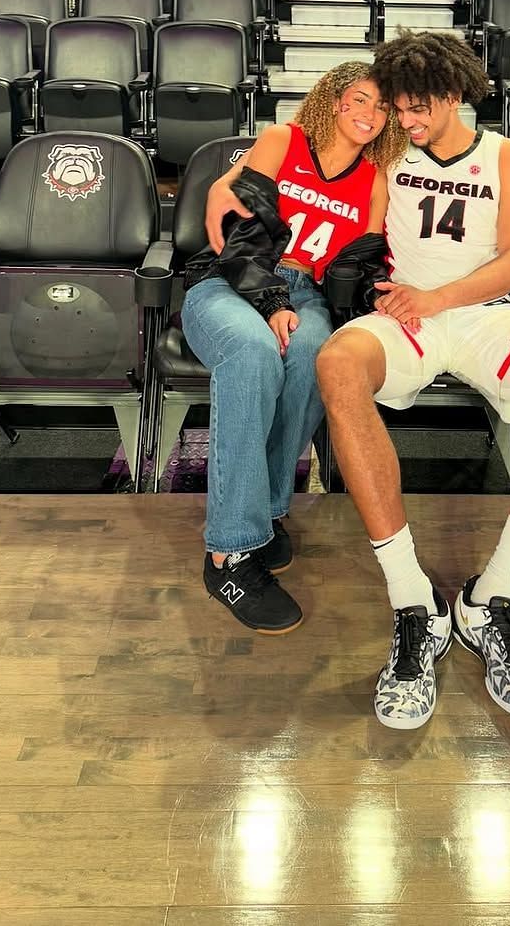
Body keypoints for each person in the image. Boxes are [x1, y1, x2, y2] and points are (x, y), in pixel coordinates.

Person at [312, 34, 510, 730]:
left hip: (480, 314)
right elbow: (357, 233)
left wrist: (440, 299)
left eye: (418, 109)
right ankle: (414, 603)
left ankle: (491, 598)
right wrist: (366, 281)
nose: (407, 121)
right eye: (398, 109)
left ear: (453, 97)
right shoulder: (389, 150)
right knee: (335, 363)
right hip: (406, 314)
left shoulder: (504, 155)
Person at [183, 62, 404, 634]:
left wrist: (372, 311)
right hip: (233, 282)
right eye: (358, 100)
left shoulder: (373, 178)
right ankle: (228, 554)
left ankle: (270, 509)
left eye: (380, 108)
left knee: (317, 354)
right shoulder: (283, 140)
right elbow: (243, 235)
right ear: (334, 101)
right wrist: (272, 301)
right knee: (255, 352)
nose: (369, 115)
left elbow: (361, 262)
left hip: (310, 296)